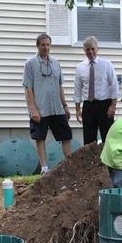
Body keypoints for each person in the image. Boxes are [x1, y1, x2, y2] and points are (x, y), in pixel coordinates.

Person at [22, 33, 72, 175]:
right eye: (43, 45)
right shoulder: (30, 64)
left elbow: (60, 86)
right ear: (37, 46)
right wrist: (33, 109)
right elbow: (28, 88)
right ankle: (44, 168)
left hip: (56, 107)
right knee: (40, 138)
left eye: (48, 45)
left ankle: (70, 163)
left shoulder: (56, 63)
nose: (46, 47)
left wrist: (65, 105)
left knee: (66, 136)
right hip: (40, 108)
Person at [74, 36, 119, 145]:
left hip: (105, 106)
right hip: (88, 106)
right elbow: (77, 89)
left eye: (92, 48)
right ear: (84, 50)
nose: (90, 52)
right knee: (89, 140)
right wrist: (77, 109)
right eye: (87, 49)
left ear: (97, 49)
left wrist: (113, 106)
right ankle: (90, 162)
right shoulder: (80, 67)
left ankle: (107, 162)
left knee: (108, 138)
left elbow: (114, 85)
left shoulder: (107, 64)